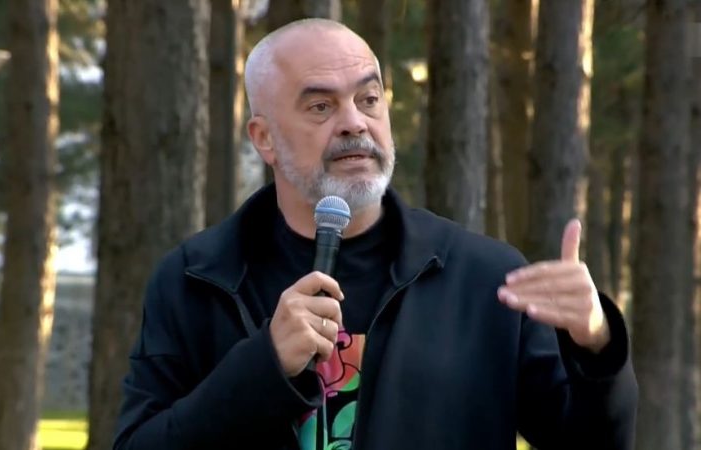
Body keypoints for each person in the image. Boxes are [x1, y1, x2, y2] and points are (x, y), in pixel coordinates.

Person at [113, 19, 637, 450]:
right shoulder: (197, 279)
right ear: (264, 138)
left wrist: (595, 344)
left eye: (368, 99)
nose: (354, 123)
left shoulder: (485, 280)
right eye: (321, 106)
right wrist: (263, 366)